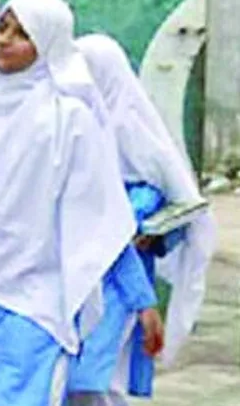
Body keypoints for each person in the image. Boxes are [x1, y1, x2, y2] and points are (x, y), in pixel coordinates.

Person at [0, 0, 136, 406]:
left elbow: (96, 211)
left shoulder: (69, 117)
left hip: (38, 288)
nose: (4, 40)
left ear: (48, 44)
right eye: (1, 27)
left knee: (9, 394)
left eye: (22, 34)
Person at [65, 33, 218, 405]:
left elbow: (179, 206)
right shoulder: (72, 130)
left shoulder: (137, 134)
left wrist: (150, 229)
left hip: (122, 281)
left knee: (101, 374)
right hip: (77, 275)